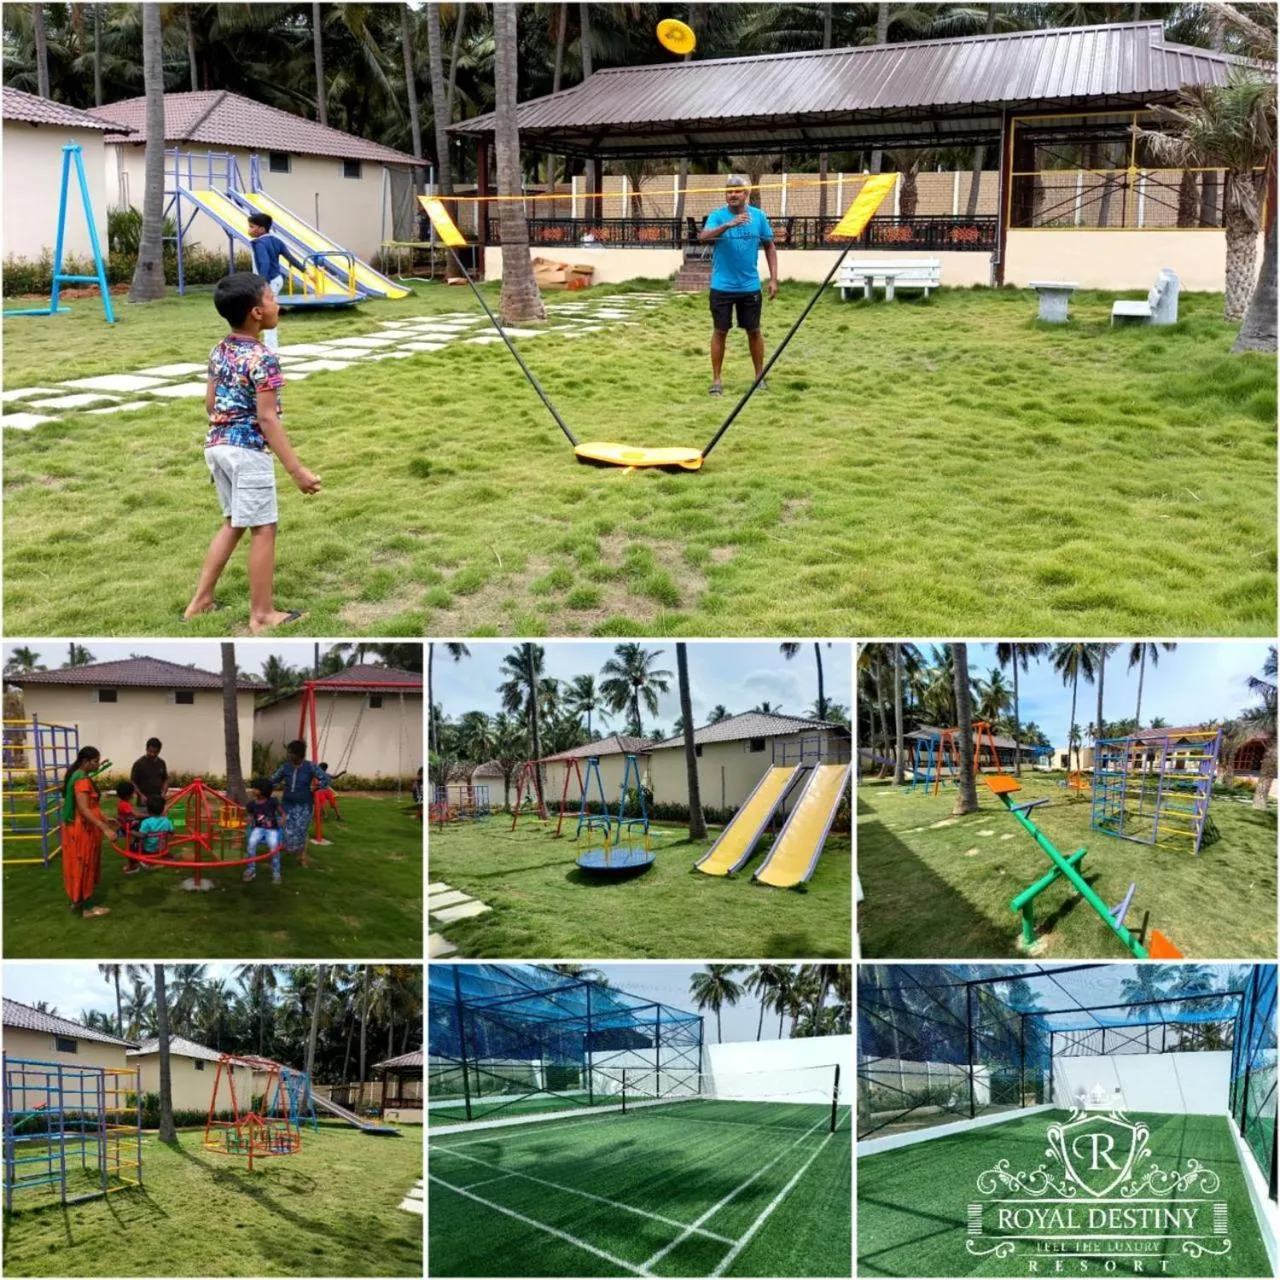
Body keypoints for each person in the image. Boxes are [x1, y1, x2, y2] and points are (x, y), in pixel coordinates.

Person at [183, 272, 321, 631]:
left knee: (234, 522)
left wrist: (227, 426)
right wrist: (297, 471)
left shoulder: (219, 349)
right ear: (257, 312)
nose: (277, 304)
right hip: (247, 452)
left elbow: (210, 402)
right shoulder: (264, 358)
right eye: (271, 298)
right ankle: (262, 615)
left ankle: (201, 602)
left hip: (217, 446)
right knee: (263, 527)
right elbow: (267, 418)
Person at [697, 175, 779, 396]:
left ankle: (759, 378)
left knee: (754, 331)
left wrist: (773, 278)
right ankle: (716, 381)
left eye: (737, 191)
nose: (732, 195)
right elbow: (704, 238)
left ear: (746, 194)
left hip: (749, 287)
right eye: (729, 191)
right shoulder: (717, 216)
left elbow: (769, 246)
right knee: (720, 331)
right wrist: (728, 224)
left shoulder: (758, 217)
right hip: (722, 286)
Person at [60, 746, 114, 917]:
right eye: (95, 761)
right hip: (82, 829)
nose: (98, 764)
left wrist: (104, 817)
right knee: (85, 865)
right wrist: (104, 827)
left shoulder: (77, 775)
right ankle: (88, 908)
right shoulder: (82, 780)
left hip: (80, 827)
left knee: (79, 864)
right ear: (85, 761)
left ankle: (78, 901)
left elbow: (89, 806)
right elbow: (84, 809)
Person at [246, 212, 307, 354]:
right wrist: (305, 271)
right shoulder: (276, 240)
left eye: (252, 226)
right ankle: (265, 346)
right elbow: (290, 258)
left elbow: (265, 263)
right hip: (276, 279)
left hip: (268, 282)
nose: (249, 229)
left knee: (265, 314)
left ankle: (271, 349)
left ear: (261, 229)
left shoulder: (260, 243)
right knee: (262, 312)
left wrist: (262, 283)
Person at [271, 741, 330, 867]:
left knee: (301, 831)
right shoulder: (285, 767)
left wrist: (316, 787)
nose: (289, 755)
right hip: (287, 805)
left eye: (291, 753)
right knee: (284, 829)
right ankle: (283, 851)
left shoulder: (310, 766)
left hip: (304, 806)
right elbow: (272, 780)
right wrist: (264, 788)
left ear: (299, 754)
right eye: (288, 752)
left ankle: (301, 857)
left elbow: (325, 779)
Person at [243, 779, 284, 885]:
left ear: (263, 790)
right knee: (251, 844)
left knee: (273, 848)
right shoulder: (252, 804)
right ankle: (251, 869)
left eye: (255, 788)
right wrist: (248, 818)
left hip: (272, 829)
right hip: (258, 828)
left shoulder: (273, 801)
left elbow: (282, 813)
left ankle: (276, 872)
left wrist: (283, 819)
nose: (253, 790)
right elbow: (249, 815)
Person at [130, 738, 168, 809]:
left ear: (159, 751)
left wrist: (164, 792)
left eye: (155, 752)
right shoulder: (139, 764)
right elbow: (133, 782)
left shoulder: (161, 763)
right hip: (144, 801)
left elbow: (165, 779)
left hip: (158, 801)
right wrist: (141, 795)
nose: (152, 754)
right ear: (146, 749)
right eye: (150, 751)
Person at [114, 782, 143, 875]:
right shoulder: (124, 805)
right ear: (128, 796)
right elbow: (136, 815)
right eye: (132, 793)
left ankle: (135, 861)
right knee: (133, 846)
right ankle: (133, 865)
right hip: (130, 829)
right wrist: (151, 814)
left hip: (130, 826)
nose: (134, 794)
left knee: (136, 844)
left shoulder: (124, 803)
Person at [137, 794, 175, 858]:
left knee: (134, 845)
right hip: (162, 848)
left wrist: (131, 832)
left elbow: (141, 836)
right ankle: (167, 855)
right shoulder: (167, 821)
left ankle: (136, 863)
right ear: (162, 809)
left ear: (148, 810)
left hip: (148, 849)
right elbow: (172, 832)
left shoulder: (146, 822)